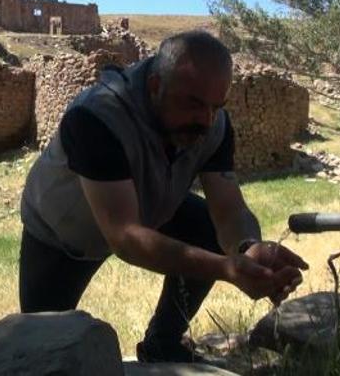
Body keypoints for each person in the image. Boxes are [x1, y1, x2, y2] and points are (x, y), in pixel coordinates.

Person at [18, 31, 308, 363]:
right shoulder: (97, 117)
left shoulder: (214, 125)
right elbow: (126, 236)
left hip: (149, 204)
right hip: (62, 229)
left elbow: (228, 210)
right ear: (155, 86)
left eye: (216, 106)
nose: (206, 120)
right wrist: (226, 268)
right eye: (194, 104)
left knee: (204, 227)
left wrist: (247, 247)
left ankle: (163, 343)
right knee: (42, 346)